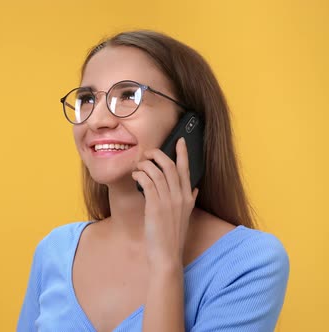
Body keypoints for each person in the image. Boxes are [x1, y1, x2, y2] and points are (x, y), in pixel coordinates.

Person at [16, 30, 289, 332]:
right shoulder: (54, 251)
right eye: (87, 99)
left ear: (188, 126)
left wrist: (166, 265)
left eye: (129, 96)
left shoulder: (249, 262)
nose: (97, 120)